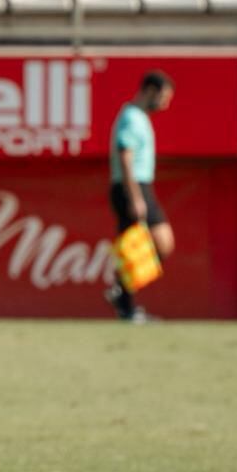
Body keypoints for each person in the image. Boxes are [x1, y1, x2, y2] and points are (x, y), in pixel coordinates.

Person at [104, 72, 174, 323]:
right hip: (131, 186)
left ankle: (121, 294)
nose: (165, 105)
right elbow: (125, 155)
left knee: (154, 245)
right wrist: (135, 196)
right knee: (149, 244)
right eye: (163, 98)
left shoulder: (138, 117)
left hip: (138, 185)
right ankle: (125, 304)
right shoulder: (132, 118)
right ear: (150, 91)